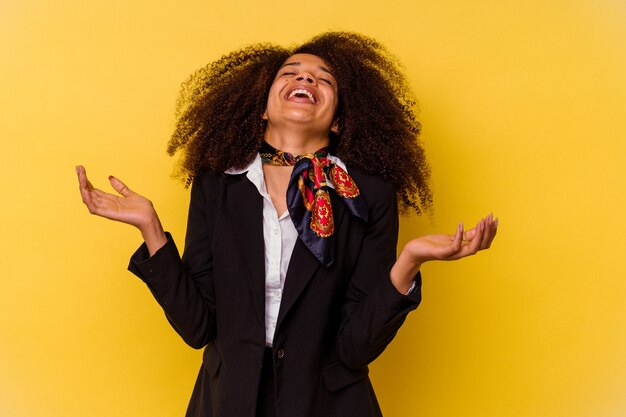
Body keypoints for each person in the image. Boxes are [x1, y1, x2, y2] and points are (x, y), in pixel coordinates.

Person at [77, 32, 497, 417]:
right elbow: (198, 326)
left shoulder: (366, 195)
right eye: (292, 73)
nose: (306, 80)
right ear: (262, 108)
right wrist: (152, 231)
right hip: (229, 402)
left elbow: (355, 347)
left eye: (323, 79)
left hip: (328, 405)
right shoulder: (217, 185)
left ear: (338, 121)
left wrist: (409, 261)